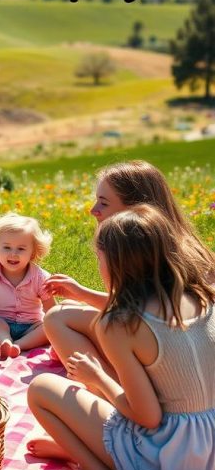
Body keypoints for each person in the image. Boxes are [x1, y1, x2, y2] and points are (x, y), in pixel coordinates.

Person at [27, 205, 215, 470]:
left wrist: (98, 377)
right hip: (209, 456)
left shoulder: (120, 323)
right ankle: (96, 459)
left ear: (115, 265)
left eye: (99, 258)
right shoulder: (204, 297)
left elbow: (148, 417)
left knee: (40, 389)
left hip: (163, 465)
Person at [42, 160, 215, 374]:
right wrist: (81, 294)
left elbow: (141, 314)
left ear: (137, 209)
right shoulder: (178, 245)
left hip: (172, 363)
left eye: (103, 203)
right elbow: (141, 307)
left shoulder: (145, 254)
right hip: (187, 356)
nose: (92, 210)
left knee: (56, 318)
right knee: (68, 309)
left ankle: (107, 386)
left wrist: (83, 297)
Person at [0, 212, 55, 358]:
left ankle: (18, 346)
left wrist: (54, 324)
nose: (13, 254)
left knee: (48, 328)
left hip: (31, 325)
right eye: (7, 248)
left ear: (33, 253)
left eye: (21, 249)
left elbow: (51, 309)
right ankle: (5, 342)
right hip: (0, 320)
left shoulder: (39, 277)